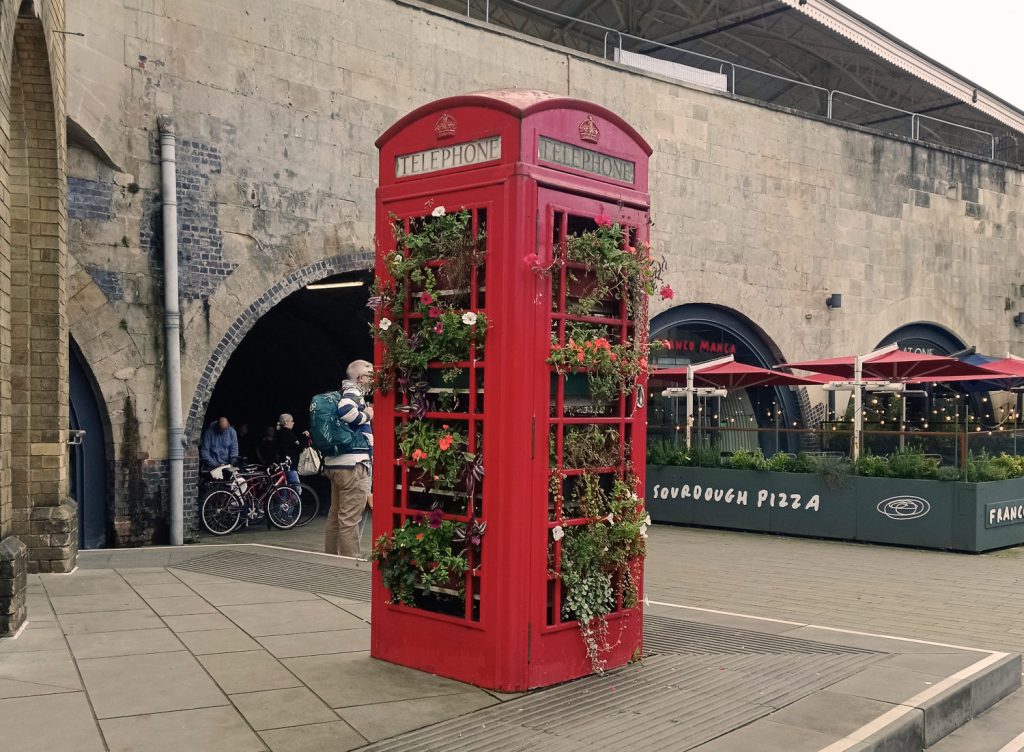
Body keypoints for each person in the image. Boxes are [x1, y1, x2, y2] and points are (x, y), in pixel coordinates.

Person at [324, 360, 374, 557]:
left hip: (336, 464)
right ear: (361, 378)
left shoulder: (341, 392)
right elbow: (345, 411)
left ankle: (331, 557)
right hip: (353, 466)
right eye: (371, 376)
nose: (373, 381)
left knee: (335, 515)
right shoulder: (354, 393)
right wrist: (367, 415)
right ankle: (350, 561)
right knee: (350, 518)